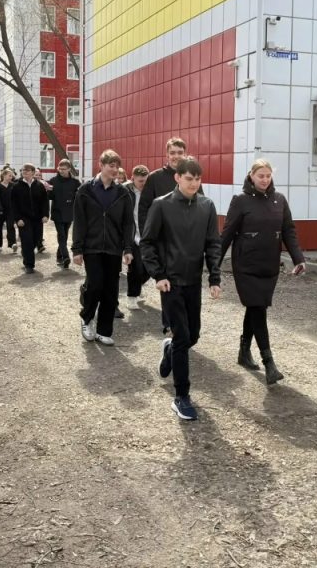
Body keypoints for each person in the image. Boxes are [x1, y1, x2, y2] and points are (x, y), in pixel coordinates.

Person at [140, 157, 221, 422]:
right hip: (170, 283)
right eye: (189, 178)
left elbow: (213, 243)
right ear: (177, 177)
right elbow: (148, 242)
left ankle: (169, 349)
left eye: (198, 179)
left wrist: (214, 278)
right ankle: (181, 397)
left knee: (192, 335)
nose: (194, 184)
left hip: (193, 281)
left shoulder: (207, 206)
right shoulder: (161, 205)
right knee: (183, 338)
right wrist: (158, 275)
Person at [219, 160, 306, 385]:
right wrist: (213, 266)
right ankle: (269, 363)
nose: (265, 180)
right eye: (261, 176)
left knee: (255, 307)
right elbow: (227, 233)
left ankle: (244, 351)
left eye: (268, 175)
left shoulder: (280, 200)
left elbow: (288, 230)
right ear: (251, 176)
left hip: (269, 265)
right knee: (258, 309)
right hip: (246, 265)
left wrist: (298, 258)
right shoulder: (240, 200)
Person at [72, 150, 135, 346]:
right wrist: (77, 249)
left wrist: (128, 248)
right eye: (111, 166)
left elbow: (128, 223)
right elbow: (79, 221)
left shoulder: (123, 193)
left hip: (114, 248)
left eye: (117, 166)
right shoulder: (85, 190)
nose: (115, 170)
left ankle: (104, 330)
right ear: (101, 165)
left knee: (111, 289)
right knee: (95, 284)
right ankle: (87, 318)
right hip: (92, 247)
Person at [138, 138, 202, 332]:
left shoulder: (192, 177)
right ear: (167, 154)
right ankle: (170, 326)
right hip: (162, 242)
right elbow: (144, 209)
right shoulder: (155, 178)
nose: (176, 156)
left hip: (186, 243)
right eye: (172, 152)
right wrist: (147, 235)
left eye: (180, 152)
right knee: (167, 283)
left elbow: (200, 206)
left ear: (185, 153)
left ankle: (180, 327)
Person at [10, 163, 50, 273]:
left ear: (33, 172)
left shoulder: (39, 185)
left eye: (27, 170)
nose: (24, 172)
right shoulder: (16, 186)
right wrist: (18, 219)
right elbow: (13, 204)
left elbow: (45, 202)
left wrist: (45, 215)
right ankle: (29, 265)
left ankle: (26, 252)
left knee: (36, 240)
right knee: (27, 240)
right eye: (23, 170)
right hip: (24, 219)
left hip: (37, 218)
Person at [123, 164, 150, 309]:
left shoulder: (151, 191)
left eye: (145, 181)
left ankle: (137, 287)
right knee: (135, 268)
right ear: (133, 178)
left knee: (150, 268)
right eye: (140, 181)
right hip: (132, 235)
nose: (143, 184)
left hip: (148, 235)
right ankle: (132, 296)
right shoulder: (125, 190)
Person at [48, 159, 80, 269]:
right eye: (60, 169)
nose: (61, 171)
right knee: (61, 235)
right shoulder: (53, 181)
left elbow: (79, 197)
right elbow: (50, 197)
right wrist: (48, 190)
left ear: (69, 169)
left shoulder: (75, 182)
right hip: (57, 212)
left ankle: (59, 255)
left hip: (69, 212)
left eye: (64, 169)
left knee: (65, 235)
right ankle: (66, 257)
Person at [0, 169, 17, 252]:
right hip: (0, 210)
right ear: (4, 175)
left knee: (10, 226)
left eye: (11, 176)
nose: (11, 177)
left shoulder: (13, 185)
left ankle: (12, 244)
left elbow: (17, 197)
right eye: (9, 175)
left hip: (10, 210)